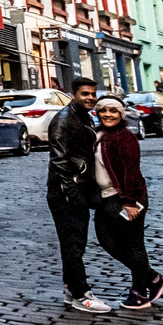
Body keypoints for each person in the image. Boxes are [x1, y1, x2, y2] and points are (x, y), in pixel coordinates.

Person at [93, 96, 163, 310]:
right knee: (107, 241)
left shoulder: (125, 137)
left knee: (134, 244)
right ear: (97, 113)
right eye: (103, 110)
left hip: (127, 199)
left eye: (113, 111)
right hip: (106, 199)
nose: (108, 114)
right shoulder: (98, 135)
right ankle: (153, 277)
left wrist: (130, 202)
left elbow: (131, 172)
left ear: (121, 114)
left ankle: (139, 293)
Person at [47, 77, 109, 313]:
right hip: (67, 192)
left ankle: (71, 289)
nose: (90, 98)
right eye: (85, 94)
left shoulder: (83, 117)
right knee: (73, 244)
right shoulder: (64, 120)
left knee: (73, 243)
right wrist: (72, 193)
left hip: (77, 188)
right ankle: (82, 295)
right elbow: (59, 161)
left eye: (93, 94)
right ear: (73, 94)